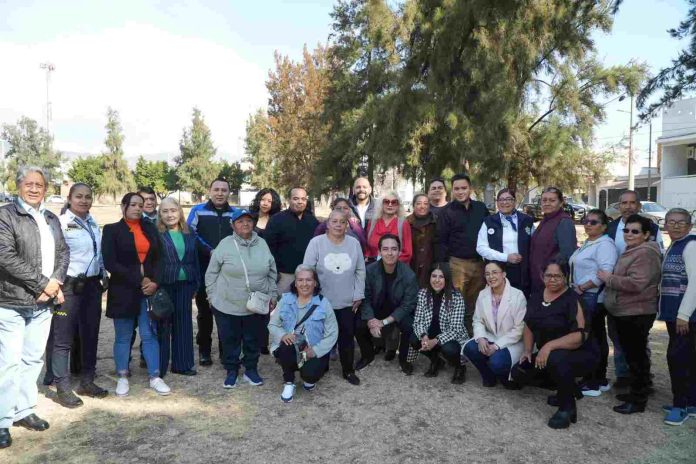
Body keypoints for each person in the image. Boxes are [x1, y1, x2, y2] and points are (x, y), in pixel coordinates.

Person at [0, 166, 69, 449]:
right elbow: (5, 255)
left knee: (32, 359)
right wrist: (43, 283)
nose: (33, 189)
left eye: (39, 185)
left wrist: (55, 282)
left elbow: (63, 252)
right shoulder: (5, 215)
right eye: (28, 184)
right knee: (9, 362)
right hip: (12, 301)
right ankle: (2, 419)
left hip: (42, 305)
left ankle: (24, 410)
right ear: (18, 186)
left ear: (45, 188)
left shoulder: (51, 218)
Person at [511, 258, 597, 429]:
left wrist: (549, 346)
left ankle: (567, 407)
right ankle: (567, 387)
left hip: (579, 353)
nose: (552, 279)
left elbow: (580, 336)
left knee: (555, 359)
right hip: (549, 354)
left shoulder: (573, 299)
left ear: (565, 277)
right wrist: (527, 350)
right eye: (548, 275)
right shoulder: (536, 296)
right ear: (542, 276)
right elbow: (529, 325)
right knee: (519, 372)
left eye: (557, 276)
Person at [102, 192, 170, 397]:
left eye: (141, 205)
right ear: (123, 206)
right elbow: (110, 262)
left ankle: (155, 377)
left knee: (149, 334)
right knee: (123, 336)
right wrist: (138, 279)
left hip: (148, 291)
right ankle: (122, 376)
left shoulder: (150, 228)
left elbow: (160, 258)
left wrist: (155, 281)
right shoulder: (112, 230)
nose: (138, 208)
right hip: (123, 291)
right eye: (133, 204)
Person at [50, 183, 109, 409]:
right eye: (79, 196)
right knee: (63, 338)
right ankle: (63, 387)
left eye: (88, 197)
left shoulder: (93, 222)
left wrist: (103, 274)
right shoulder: (60, 223)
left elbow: (98, 253)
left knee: (90, 334)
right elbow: (54, 256)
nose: (84, 200)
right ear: (69, 198)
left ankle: (87, 381)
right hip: (68, 286)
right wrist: (56, 285)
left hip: (92, 286)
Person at [206, 209, 278, 389]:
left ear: (253, 223)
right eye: (240, 221)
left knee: (253, 339)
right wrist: (212, 296)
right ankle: (232, 370)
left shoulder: (262, 243)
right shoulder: (225, 244)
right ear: (232, 225)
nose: (245, 224)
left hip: (256, 305)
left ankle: (251, 369)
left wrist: (273, 294)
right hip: (227, 304)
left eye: (248, 220)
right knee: (230, 339)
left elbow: (272, 271)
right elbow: (211, 273)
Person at [599, 214, 661, 415]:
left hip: (637, 312)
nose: (629, 234)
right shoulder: (633, 250)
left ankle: (638, 399)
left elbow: (637, 283)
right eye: (626, 230)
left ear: (646, 235)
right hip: (626, 310)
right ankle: (636, 391)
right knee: (632, 354)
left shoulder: (645, 253)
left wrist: (609, 279)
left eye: (635, 231)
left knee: (636, 356)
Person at [605, 190, 663, 387]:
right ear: (619, 205)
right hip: (617, 299)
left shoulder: (650, 230)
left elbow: (641, 279)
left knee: (637, 347)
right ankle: (624, 377)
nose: (628, 206)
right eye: (624, 203)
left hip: (637, 303)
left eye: (632, 203)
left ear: (638, 205)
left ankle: (640, 386)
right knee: (619, 340)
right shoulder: (611, 227)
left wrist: (609, 279)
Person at [303, 209, 365, 385]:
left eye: (342, 222)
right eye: (334, 221)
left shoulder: (354, 244)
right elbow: (307, 269)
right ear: (327, 224)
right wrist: (309, 295)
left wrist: (358, 294)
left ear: (347, 225)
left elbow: (360, 270)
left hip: (347, 301)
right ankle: (322, 366)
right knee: (322, 336)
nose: (338, 225)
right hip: (322, 300)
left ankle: (348, 370)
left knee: (347, 337)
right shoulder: (316, 243)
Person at [269, 265, 338, 403]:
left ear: (315, 283)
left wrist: (315, 350)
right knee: (287, 344)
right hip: (289, 348)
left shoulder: (323, 303)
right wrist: (283, 335)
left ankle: (308, 379)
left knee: (311, 376)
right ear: (295, 283)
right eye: (300, 280)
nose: (304, 284)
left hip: (311, 350)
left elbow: (332, 333)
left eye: (308, 280)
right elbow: (273, 324)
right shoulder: (285, 300)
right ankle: (289, 382)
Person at [187, 178, 237, 366]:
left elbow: (241, 235)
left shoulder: (235, 213)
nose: (220, 193)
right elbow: (191, 233)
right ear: (210, 191)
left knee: (227, 313)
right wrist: (210, 251)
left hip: (229, 271)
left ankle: (226, 351)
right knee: (204, 312)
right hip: (204, 269)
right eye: (216, 189)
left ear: (229, 193)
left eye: (224, 190)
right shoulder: (197, 211)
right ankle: (204, 350)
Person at [568, 209, 617, 397]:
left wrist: (583, 287)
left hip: (592, 296)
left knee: (592, 338)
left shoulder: (605, 245)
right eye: (586, 221)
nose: (588, 224)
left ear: (604, 226)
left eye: (594, 222)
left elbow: (605, 272)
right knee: (594, 336)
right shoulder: (590, 243)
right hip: (582, 295)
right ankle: (597, 378)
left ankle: (594, 381)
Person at [355, 234, 418, 375]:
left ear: (399, 252)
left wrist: (383, 322)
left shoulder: (409, 275)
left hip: (398, 312)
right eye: (385, 249)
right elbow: (365, 298)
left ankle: (404, 359)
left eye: (394, 249)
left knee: (410, 326)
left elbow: (407, 305)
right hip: (375, 310)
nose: (390, 253)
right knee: (358, 324)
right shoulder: (369, 271)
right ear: (379, 252)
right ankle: (367, 355)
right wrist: (371, 320)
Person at [436, 173, 489, 334]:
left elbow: (490, 233)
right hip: (456, 264)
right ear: (452, 190)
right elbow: (441, 240)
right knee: (456, 304)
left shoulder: (481, 208)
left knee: (475, 304)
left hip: (479, 263)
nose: (460, 192)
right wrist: (443, 266)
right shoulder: (446, 212)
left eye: (463, 188)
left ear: (470, 188)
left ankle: (472, 338)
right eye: (457, 189)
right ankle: (454, 338)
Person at [659, 208, 696, 425]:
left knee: (677, 359)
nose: (675, 225)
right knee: (687, 358)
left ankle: (679, 406)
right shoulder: (675, 244)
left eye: (681, 222)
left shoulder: (691, 245)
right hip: (675, 314)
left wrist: (684, 314)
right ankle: (691, 402)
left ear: (689, 226)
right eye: (671, 221)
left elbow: (695, 282)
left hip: (685, 316)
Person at [463, 261, 526, 388]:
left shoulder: (517, 296)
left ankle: (505, 378)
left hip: (511, 341)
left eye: (494, 272)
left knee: (497, 362)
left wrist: (497, 346)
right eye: (487, 274)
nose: (491, 277)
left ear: (504, 274)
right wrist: (481, 337)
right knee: (470, 348)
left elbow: (519, 329)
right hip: (491, 336)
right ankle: (488, 376)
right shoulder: (483, 294)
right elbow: (478, 320)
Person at [157, 197, 200, 376]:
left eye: (173, 210)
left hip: (186, 284)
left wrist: (196, 283)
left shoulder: (189, 232)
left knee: (183, 325)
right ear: (160, 214)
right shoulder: (156, 234)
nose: (170, 215)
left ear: (180, 212)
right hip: (164, 285)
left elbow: (195, 259)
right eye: (165, 211)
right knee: (162, 326)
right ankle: (159, 367)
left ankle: (182, 365)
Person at [409, 263, 467, 383]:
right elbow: (418, 321)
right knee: (414, 339)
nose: (437, 280)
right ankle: (436, 360)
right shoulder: (423, 294)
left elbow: (455, 329)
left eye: (441, 277)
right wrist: (424, 337)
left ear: (447, 279)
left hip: (451, 337)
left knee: (449, 349)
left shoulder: (457, 297)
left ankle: (460, 367)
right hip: (430, 333)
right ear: (429, 277)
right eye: (434, 276)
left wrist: (435, 341)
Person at [476, 188, 534, 293]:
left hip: (522, 272)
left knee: (521, 298)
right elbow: (481, 248)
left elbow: (534, 245)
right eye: (501, 200)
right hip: (498, 271)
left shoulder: (527, 221)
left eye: (508, 199)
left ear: (514, 201)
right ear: (497, 202)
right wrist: (506, 257)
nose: (505, 202)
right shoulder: (489, 221)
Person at [264, 187, 319, 294]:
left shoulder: (312, 221)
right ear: (289, 200)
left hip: (308, 276)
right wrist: (274, 272)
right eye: (296, 198)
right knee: (283, 304)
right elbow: (268, 248)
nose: (300, 202)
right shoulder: (276, 220)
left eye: (303, 199)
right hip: (284, 276)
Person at [529, 187, 577, 293]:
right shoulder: (545, 220)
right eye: (544, 200)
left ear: (561, 203)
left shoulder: (564, 222)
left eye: (552, 200)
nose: (547, 203)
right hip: (537, 279)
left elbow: (566, 254)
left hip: (552, 282)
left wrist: (551, 276)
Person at [365, 191, 413, 264]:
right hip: (373, 266)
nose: (390, 205)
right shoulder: (372, 222)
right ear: (381, 204)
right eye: (386, 202)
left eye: (394, 202)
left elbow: (407, 253)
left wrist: (388, 264)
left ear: (398, 206)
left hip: (395, 267)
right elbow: (368, 248)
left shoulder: (403, 224)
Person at [407, 193, 437, 288]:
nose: (422, 206)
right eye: (419, 203)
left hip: (431, 267)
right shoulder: (406, 222)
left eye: (425, 203)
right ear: (413, 205)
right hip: (411, 266)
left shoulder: (436, 221)